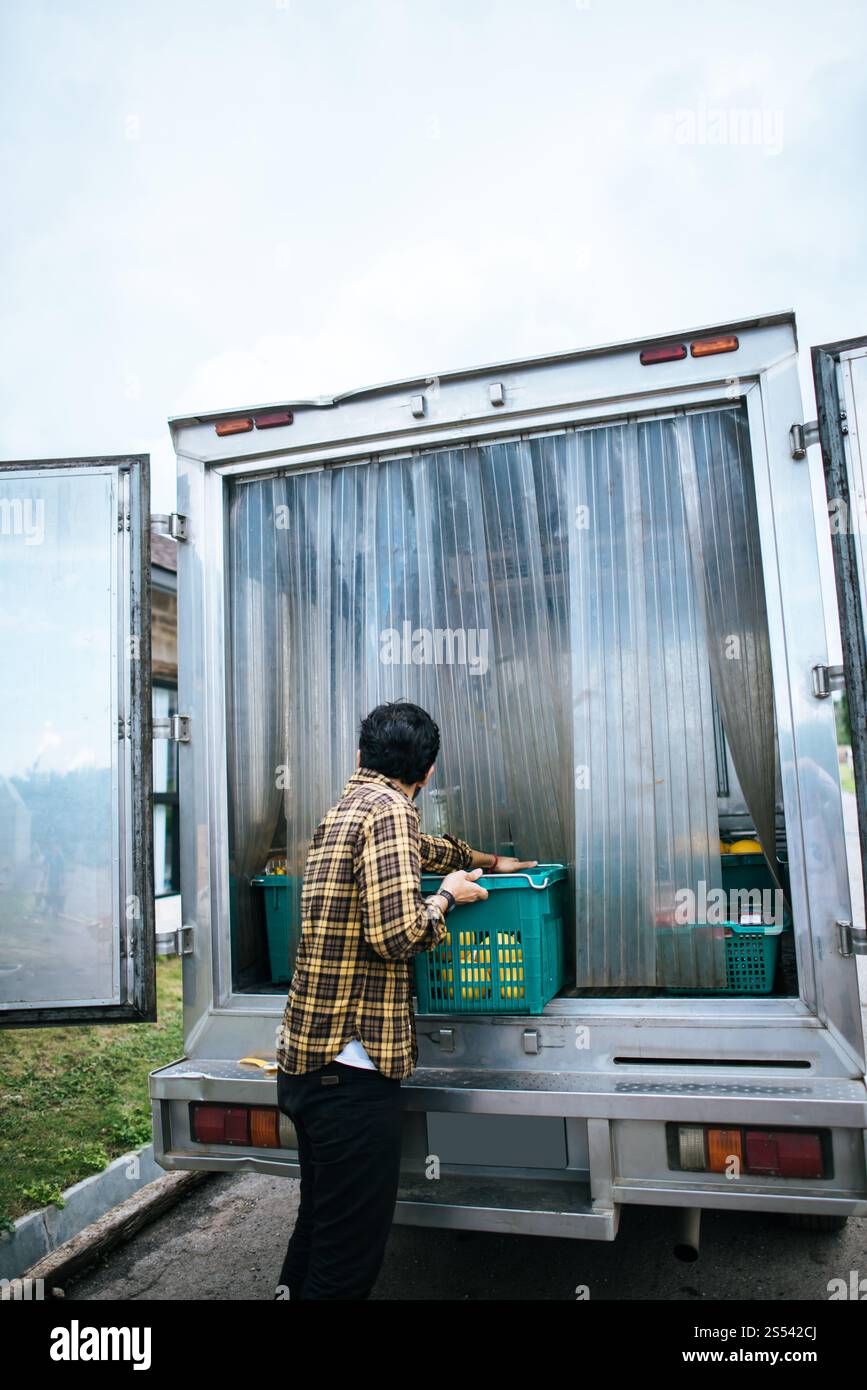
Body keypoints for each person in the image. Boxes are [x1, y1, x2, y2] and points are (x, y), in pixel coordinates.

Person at [274, 700, 537, 1300]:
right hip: (351, 1073)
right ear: (431, 771)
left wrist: (487, 861)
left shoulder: (350, 808)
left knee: (318, 1228)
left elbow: (423, 848)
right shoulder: (391, 812)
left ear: (360, 756)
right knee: (347, 1261)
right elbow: (396, 935)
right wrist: (446, 898)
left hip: (307, 1065)